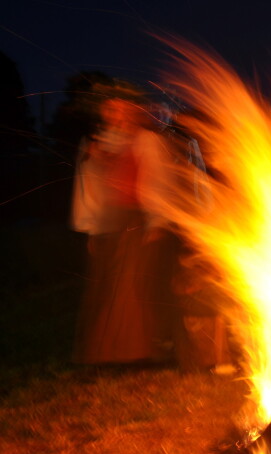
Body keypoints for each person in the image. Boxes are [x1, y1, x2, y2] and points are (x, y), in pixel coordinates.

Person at [70, 80, 176, 365]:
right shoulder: (100, 141)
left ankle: (137, 352)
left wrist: (157, 222)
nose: (115, 116)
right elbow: (91, 189)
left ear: (132, 109)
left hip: (135, 219)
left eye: (120, 109)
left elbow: (158, 182)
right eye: (109, 110)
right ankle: (106, 353)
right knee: (104, 288)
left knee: (130, 287)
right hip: (109, 221)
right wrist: (92, 228)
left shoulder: (147, 141)